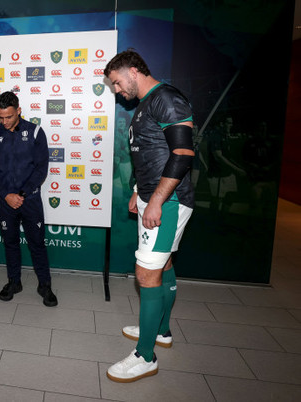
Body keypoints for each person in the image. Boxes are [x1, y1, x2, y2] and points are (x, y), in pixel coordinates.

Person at [103, 50, 195, 382]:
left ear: (133, 71)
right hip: (153, 198)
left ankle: (145, 356)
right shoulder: (144, 105)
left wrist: (156, 200)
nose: (116, 90)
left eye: (116, 82)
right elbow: (150, 156)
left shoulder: (167, 98)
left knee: (146, 274)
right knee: (163, 263)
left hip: (167, 202)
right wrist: (137, 192)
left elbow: (182, 153)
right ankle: (161, 331)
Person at [0, 91, 57, 307]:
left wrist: (22, 194)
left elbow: (41, 169)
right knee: (10, 243)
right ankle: (14, 282)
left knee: (37, 244)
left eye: (9, 117)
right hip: (5, 202)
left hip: (30, 200)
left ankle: (45, 285)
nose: (4, 122)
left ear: (19, 111)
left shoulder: (35, 133)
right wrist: (6, 195)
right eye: (0, 117)